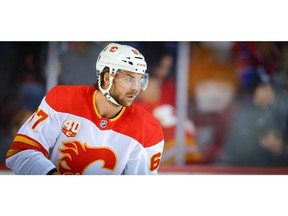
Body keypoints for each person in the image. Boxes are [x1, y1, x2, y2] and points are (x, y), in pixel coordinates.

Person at [5, 43, 164, 175]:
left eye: (140, 79)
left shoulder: (148, 129)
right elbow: (21, 152)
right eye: (129, 78)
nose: (136, 87)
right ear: (107, 77)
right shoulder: (62, 100)